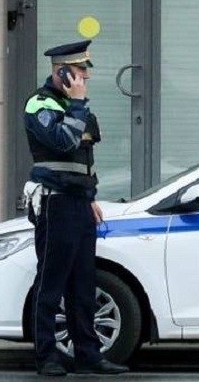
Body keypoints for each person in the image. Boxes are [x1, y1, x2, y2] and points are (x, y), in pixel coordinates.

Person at [24, 40, 128, 376]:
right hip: (55, 203)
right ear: (62, 71)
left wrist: (91, 196)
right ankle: (46, 357)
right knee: (51, 282)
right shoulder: (41, 104)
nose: (86, 77)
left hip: (79, 203)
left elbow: (85, 158)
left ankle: (88, 355)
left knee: (83, 283)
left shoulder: (74, 107)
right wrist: (78, 106)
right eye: (81, 70)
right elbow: (65, 142)